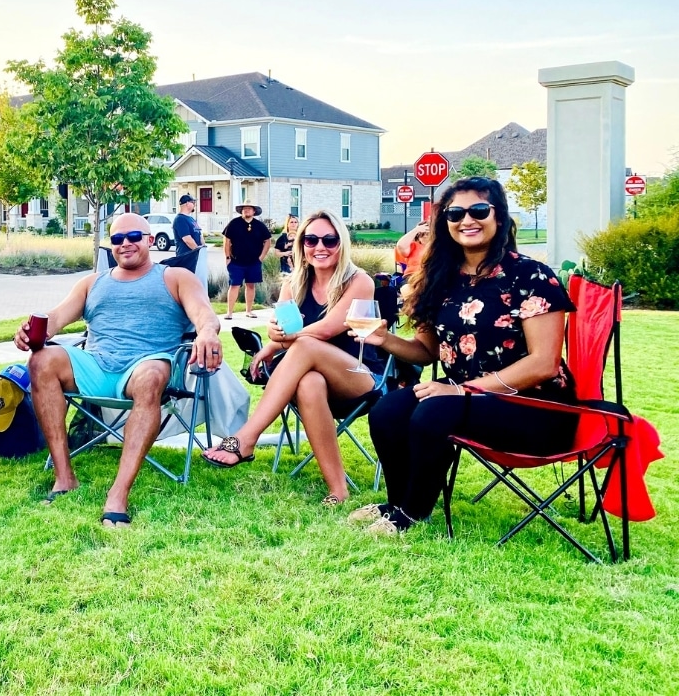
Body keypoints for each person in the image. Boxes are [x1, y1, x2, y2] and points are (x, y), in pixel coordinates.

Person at [357, 177, 578, 535]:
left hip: (538, 409)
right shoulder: (440, 278)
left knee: (434, 410)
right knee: (388, 410)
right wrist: (384, 340)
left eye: (478, 210)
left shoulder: (531, 276)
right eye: (455, 213)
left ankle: (412, 514)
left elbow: (543, 363)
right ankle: (396, 504)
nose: (467, 220)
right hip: (466, 399)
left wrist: (461, 391)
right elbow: (426, 352)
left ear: (499, 216)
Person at [14, 212, 221, 528]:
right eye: (117, 238)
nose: (126, 243)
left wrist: (206, 332)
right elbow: (54, 319)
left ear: (149, 240)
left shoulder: (176, 277)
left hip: (145, 367)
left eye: (134, 237)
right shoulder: (92, 283)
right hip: (96, 367)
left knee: (151, 375)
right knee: (41, 360)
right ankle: (64, 477)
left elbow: (204, 314)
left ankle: (118, 495)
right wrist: (31, 331)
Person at [202, 210, 381, 505]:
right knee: (309, 382)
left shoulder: (359, 281)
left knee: (307, 345)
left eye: (329, 240)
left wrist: (280, 342)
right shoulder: (293, 284)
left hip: (358, 378)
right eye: (311, 240)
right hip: (313, 381)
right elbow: (283, 331)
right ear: (301, 244)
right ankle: (338, 490)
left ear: (342, 243)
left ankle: (246, 438)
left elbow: (327, 329)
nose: (320, 247)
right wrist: (274, 339)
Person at [221, 203, 272, 319]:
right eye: (244, 209)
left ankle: (249, 311)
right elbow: (226, 240)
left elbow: (268, 241)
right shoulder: (234, 223)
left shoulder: (259, 225)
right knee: (234, 285)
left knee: (251, 285)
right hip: (236, 261)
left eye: (249, 209)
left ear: (254, 211)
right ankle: (229, 312)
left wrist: (261, 257)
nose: (246, 210)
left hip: (253, 262)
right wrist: (227, 257)